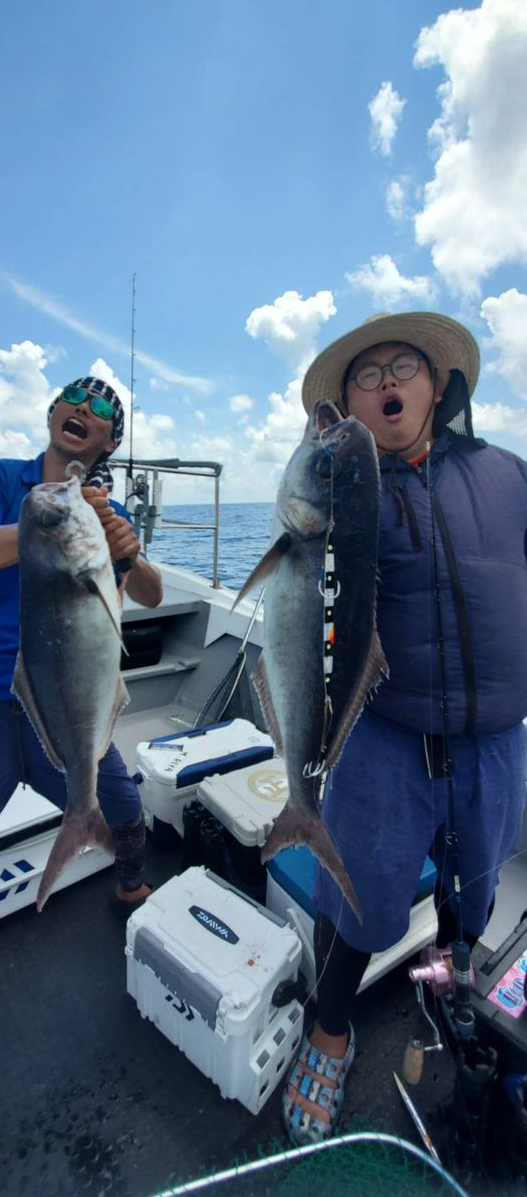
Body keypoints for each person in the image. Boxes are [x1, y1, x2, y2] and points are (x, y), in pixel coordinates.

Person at [282, 312, 527, 1145]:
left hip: (496, 744)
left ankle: (452, 978)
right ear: (350, 406)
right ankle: (330, 1027)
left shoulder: (507, 475)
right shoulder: (348, 485)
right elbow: (311, 589)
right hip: (383, 742)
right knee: (361, 901)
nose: (388, 380)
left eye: (405, 366)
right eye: (367, 374)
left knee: (481, 887)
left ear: (439, 385)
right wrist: (328, 473)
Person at [0, 376, 163, 1081]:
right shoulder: (1, 481)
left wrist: (125, 550)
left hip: (60, 696)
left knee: (119, 800)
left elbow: (142, 592)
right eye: (73, 404)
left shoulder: (106, 512)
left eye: (102, 413)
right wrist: (49, 522)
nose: (84, 414)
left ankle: (131, 886)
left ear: (112, 441)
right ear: (53, 417)